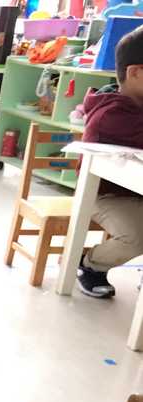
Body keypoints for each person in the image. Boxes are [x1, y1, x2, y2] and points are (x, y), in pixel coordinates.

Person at [75, 25, 143, 299]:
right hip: (102, 194)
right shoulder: (113, 114)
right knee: (138, 236)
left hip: (135, 191)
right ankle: (91, 264)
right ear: (135, 72)